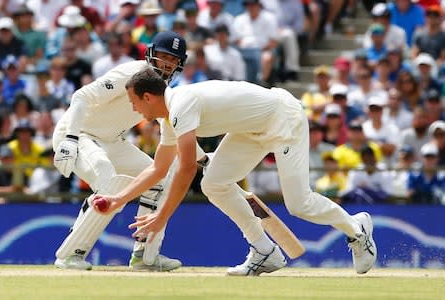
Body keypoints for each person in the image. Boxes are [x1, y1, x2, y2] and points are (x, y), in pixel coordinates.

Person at [93, 68, 378, 276]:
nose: (133, 108)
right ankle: (264, 250)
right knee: (214, 184)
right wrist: (117, 200)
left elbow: (188, 167)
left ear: (147, 96)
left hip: (282, 119)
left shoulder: (181, 105)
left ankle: (357, 229)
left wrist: (162, 216)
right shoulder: (170, 119)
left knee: (299, 203)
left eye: (133, 102)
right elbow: (158, 168)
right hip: (249, 130)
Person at [52, 31, 208, 271]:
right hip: (78, 134)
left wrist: (204, 160)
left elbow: (174, 129)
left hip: (112, 141)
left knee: (162, 179)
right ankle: (70, 255)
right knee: (107, 178)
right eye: (164, 56)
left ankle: (144, 256)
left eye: (173, 59)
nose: (167, 63)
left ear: (180, 64)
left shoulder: (165, 89)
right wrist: (71, 138)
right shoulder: (131, 73)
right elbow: (81, 96)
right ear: (151, 53)